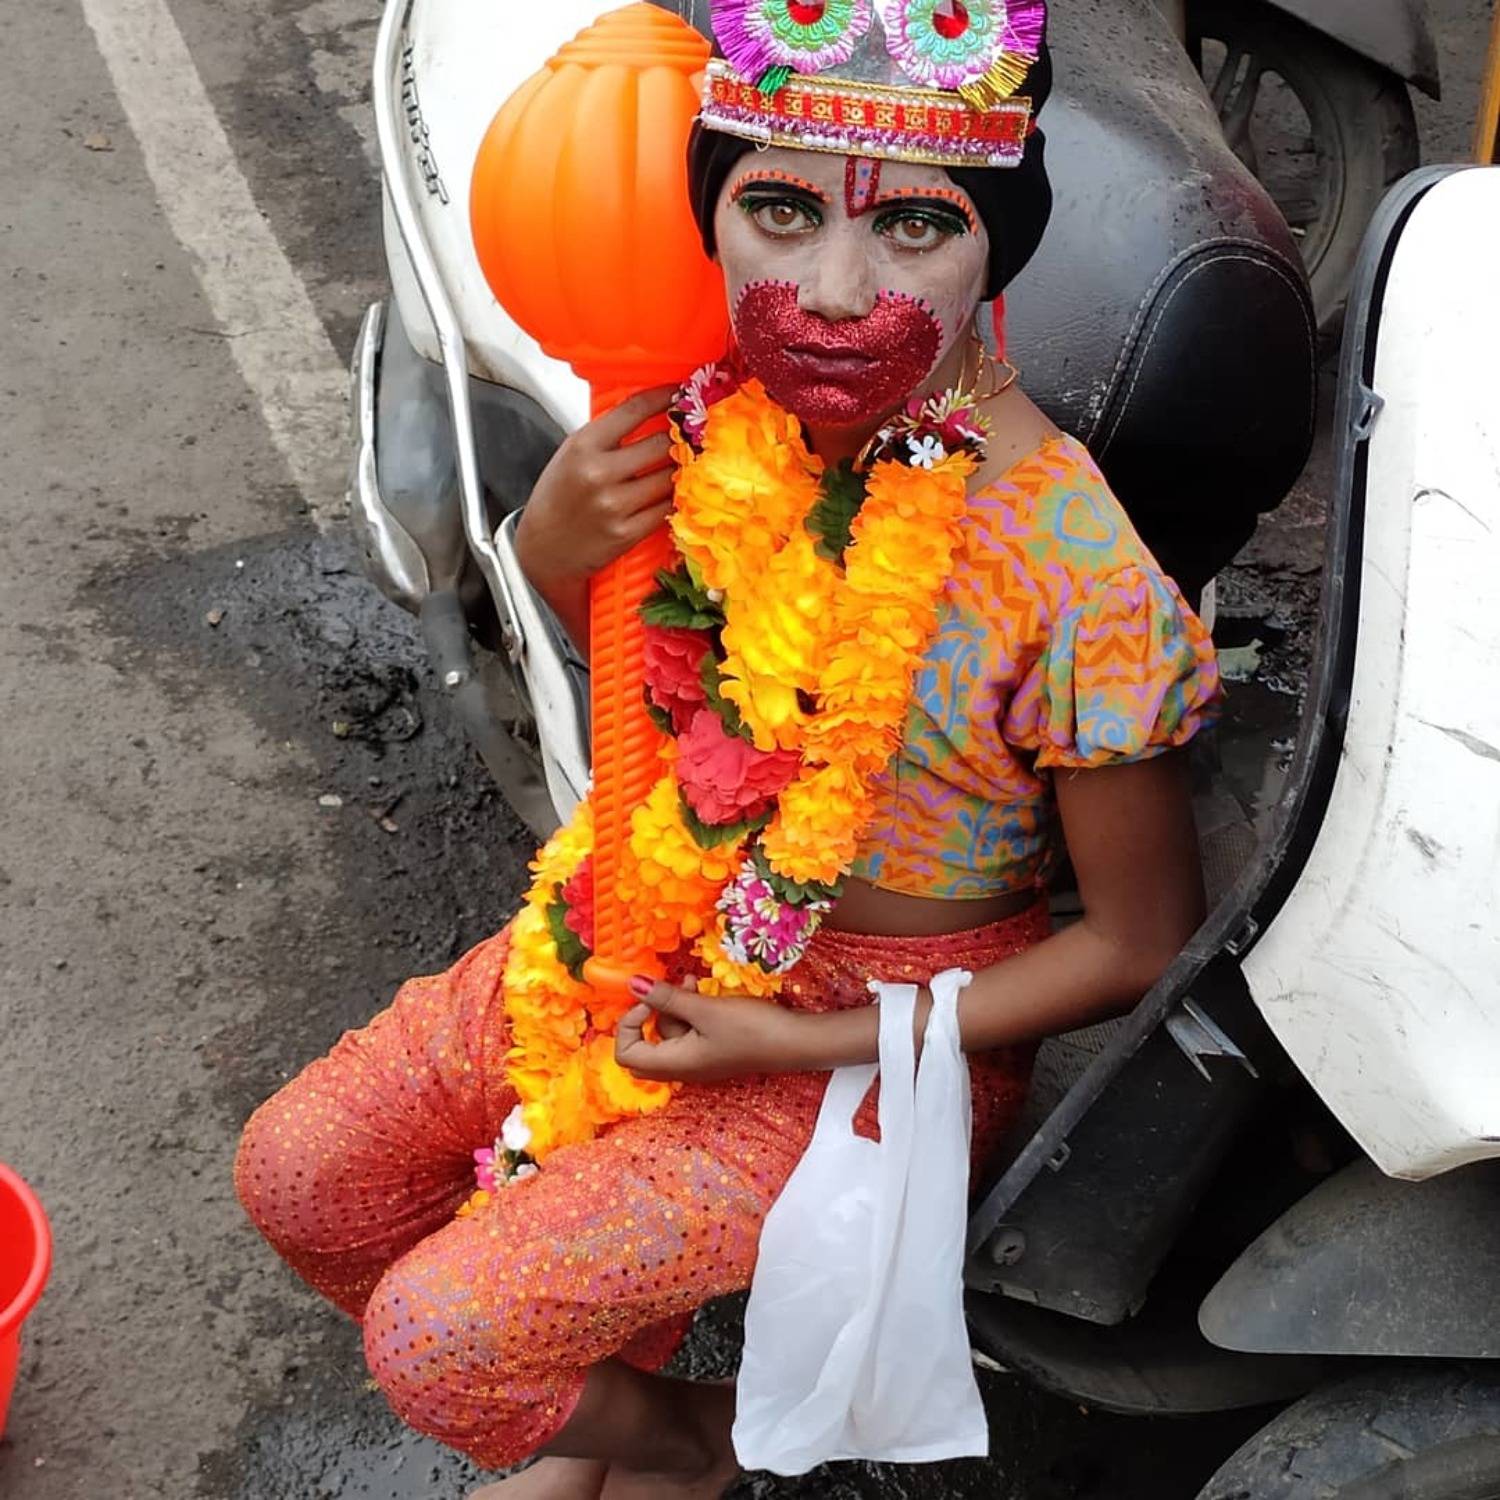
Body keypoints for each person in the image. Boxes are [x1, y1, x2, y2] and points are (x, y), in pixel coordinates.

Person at [234, 2, 1220, 1495]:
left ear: (998, 248)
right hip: (651, 926)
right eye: (780, 210)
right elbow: (644, 694)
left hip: (877, 1047)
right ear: (712, 217)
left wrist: (793, 1043)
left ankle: (692, 1447)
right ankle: (610, 1399)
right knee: (308, 1176)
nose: (833, 289)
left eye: (914, 226)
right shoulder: (715, 416)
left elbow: (1140, 945)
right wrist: (552, 544)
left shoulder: (1073, 565)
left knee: (439, 1342)